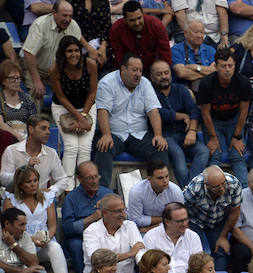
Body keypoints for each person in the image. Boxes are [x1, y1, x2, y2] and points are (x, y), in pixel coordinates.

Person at [94, 54, 169, 189]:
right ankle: (103, 191)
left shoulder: (145, 83)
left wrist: (158, 135)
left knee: (160, 148)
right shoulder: (107, 82)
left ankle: (158, 189)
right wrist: (106, 134)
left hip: (139, 134)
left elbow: (153, 111)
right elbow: (102, 111)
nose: (138, 74)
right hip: (114, 133)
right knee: (103, 148)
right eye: (134, 70)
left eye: (140, 70)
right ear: (123, 69)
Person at [3, 166, 71, 273]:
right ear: (20, 184)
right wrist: (31, 240)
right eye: (28, 181)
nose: (33, 184)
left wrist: (47, 238)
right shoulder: (11, 200)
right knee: (29, 247)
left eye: (35, 180)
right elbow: (8, 227)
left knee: (55, 247)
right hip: (22, 242)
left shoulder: (47, 198)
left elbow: (52, 226)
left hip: (43, 241)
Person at [196, 46, 253, 187]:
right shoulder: (206, 83)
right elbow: (205, 113)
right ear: (216, 67)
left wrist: (237, 137)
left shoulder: (243, 82)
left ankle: (245, 192)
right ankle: (211, 189)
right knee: (214, 155)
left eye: (230, 65)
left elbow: (244, 111)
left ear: (235, 66)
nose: (227, 69)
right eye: (223, 66)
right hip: (214, 120)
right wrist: (213, 137)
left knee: (237, 155)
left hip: (234, 120)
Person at [150, 60, 209, 188]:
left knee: (203, 152)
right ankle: (189, 192)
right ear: (152, 76)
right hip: (166, 135)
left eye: (166, 73)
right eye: (159, 74)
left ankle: (189, 190)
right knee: (178, 154)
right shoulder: (149, 92)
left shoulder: (181, 90)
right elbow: (158, 114)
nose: (164, 77)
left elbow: (194, 111)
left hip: (185, 133)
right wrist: (182, 116)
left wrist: (192, 132)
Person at [21, 1, 98, 99]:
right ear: (54, 13)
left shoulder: (73, 25)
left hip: (56, 70)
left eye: (70, 16)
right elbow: (28, 53)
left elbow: (78, 40)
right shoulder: (40, 24)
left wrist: (90, 49)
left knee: (74, 91)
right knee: (36, 92)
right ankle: (35, 115)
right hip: (34, 68)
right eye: (64, 15)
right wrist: (37, 80)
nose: (68, 19)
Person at [48, 36, 97, 189]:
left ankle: (84, 186)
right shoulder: (55, 69)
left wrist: (83, 116)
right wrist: (78, 117)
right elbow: (61, 96)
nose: (74, 54)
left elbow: (92, 92)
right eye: (69, 51)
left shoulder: (90, 64)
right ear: (63, 53)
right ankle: (67, 188)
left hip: (87, 106)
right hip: (63, 108)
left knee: (84, 147)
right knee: (71, 147)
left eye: (76, 50)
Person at [183, 165, 242, 271]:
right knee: (196, 254)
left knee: (220, 251)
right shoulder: (195, 187)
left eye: (223, 183)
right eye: (217, 187)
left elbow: (235, 212)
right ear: (207, 185)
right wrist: (186, 228)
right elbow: (181, 207)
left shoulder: (233, 184)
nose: (222, 188)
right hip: (195, 220)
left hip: (218, 221)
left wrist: (223, 236)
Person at [60, 162, 112, 273]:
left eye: (96, 176)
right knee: (75, 245)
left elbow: (123, 215)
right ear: (80, 179)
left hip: (105, 234)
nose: (94, 181)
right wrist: (91, 218)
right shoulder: (71, 198)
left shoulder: (107, 194)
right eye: (89, 178)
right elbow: (67, 228)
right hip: (80, 237)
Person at [0, 114, 68, 197]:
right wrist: (24, 169)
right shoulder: (11, 150)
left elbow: (63, 179)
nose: (48, 132)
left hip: (41, 200)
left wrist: (51, 191)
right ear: (31, 129)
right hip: (17, 199)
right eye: (43, 128)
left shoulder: (51, 153)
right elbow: (4, 179)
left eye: (48, 129)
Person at [81, 194, 143, 273]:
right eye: (118, 211)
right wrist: (130, 254)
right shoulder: (91, 231)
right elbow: (99, 261)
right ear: (104, 213)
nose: (123, 215)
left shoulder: (130, 226)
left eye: (124, 210)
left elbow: (140, 251)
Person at [142, 202, 204, 273]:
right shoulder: (151, 236)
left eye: (186, 219)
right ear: (167, 222)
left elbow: (198, 265)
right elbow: (147, 266)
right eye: (180, 221)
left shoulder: (193, 236)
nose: (184, 224)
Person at [0, 206, 46, 273]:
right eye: (21, 225)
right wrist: (21, 271)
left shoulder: (24, 237)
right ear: (7, 224)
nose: (25, 228)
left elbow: (34, 263)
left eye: (25, 224)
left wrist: (14, 245)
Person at [109, 2, 171, 72]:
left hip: (153, 69)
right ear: (125, 20)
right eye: (132, 20)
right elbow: (119, 57)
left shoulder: (156, 25)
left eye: (139, 18)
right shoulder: (116, 30)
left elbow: (165, 54)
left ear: (143, 14)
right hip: (129, 71)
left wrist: (162, 72)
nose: (137, 23)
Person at [127, 161, 184, 233]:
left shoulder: (176, 192)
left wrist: (150, 228)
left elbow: (178, 219)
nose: (165, 181)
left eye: (167, 176)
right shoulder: (136, 191)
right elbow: (136, 221)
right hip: (140, 230)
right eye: (160, 178)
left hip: (166, 229)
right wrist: (165, 219)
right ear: (149, 179)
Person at [171, 19, 218, 89]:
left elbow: (216, 71)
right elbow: (181, 73)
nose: (199, 36)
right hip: (184, 88)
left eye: (202, 32)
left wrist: (196, 67)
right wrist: (206, 72)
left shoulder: (210, 50)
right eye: (196, 32)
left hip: (208, 89)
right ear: (186, 34)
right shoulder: (176, 49)